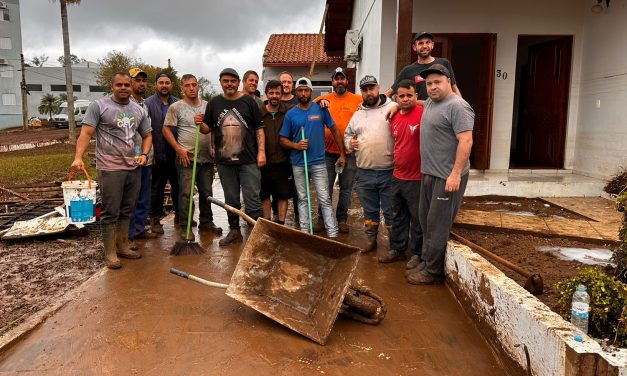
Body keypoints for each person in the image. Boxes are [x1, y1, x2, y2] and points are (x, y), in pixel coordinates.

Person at [70, 72, 152, 269]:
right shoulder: (99, 106)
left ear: (131, 86)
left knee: (127, 209)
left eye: (126, 85)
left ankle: (123, 245)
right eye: (119, 85)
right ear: (112, 86)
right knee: (110, 211)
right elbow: (86, 133)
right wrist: (78, 157)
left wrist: (144, 154)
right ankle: (110, 252)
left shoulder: (138, 109)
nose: (123, 88)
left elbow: (147, 135)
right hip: (109, 168)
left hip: (133, 166)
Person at [409, 64, 473, 285]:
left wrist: (455, 174)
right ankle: (427, 259)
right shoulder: (430, 102)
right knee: (425, 220)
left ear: (448, 82)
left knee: (438, 224)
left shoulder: (458, 106)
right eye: (429, 83)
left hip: (447, 177)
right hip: (429, 173)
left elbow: (466, 141)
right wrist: (395, 106)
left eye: (437, 82)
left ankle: (432, 270)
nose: (433, 87)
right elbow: (414, 101)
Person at [201, 68, 265, 246]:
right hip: (224, 162)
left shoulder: (249, 102)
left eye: (232, 81)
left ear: (238, 82)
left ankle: (256, 235)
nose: (229, 84)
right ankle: (235, 231)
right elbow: (206, 128)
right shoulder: (214, 102)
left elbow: (259, 128)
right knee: (231, 199)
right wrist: (200, 123)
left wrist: (261, 152)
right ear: (221, 82)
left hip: (249, 160)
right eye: (225, 81)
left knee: (252, 197)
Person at [279, 77, 345, 237]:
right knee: (302, 198)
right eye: (300, 90)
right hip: (298, 163)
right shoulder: (290, 115)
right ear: (296, 92)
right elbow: (282, 139)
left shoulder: (320, 109)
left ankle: (332, 233)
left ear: (310, 91)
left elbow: (335, 130)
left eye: (306, 90)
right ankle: (305, 232)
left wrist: (342, 153)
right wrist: (296, 145)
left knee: (324, 198)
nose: (303, 93)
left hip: (318, 163)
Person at [162, 74, 222, 237]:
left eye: (194, 85)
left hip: (206, 158)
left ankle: (206, 222)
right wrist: (178, 149)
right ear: (182, 88)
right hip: (186, 158)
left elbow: (212, 128)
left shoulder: (207, 106)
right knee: (186, 193)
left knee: (206, 192)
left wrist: (213, 146)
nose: (191, 88)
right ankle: (185, 226)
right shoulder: (176, 107)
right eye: (187, 85)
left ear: (198, 87)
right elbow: (166, 129)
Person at [344, 75, 396, 254]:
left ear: (378, 88)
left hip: (389, 171)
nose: (368, 92)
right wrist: (350, 143)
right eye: (365, 90)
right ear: (361, 92)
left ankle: (395, 246)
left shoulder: (392, 108)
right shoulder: (357, 114)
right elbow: (347, 135)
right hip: (365, 172)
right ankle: (371, 240)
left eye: (371, 88)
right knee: (370, 210)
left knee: (391, 210)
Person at [311, 67, 362, 234]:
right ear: (332, 81)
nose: (339, 82)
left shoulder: (357, 99)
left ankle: (342, 219)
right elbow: (307, 108)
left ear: (347, 81)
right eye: (336, 79)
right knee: (324, 187)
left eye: (342, 79)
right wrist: (319, 103)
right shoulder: (324, 98)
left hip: (349, 153)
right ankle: (322, 218)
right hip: (326, 152)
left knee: (346, 188)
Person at [384, 80, 424, 271]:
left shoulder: (424, 113)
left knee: (417, 218)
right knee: (398, 215)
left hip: (417, 178)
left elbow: (435, 102)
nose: (406, 99)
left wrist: (420, 103)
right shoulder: (394, 116)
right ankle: (397, 249)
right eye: (401, 96)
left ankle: (417, 253)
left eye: (410, 95)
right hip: (397, 176)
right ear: (396, 98)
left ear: (416, 96)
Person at [386, 32, 461, 104]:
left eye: (427, 42)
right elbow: (390, 93)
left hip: (442, 112)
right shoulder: (407, 71)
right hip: (419, 114)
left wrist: (461, 106)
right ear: (414, 47)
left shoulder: (444, 63)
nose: (425, 46)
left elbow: (454, 88)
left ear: (432, 45)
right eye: (420, 43)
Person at [146, 72, 179, 234]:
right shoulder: (147, 104)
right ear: (156, 85)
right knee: (157, 189)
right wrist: (149, 153)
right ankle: (155, 219)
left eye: (167, 82)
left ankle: (181, 216)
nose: (164, 85)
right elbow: (144, 132)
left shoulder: (178, 103)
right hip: (157, 154)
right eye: (161, 82)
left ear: (171, 85)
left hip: (176, 153)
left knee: (179, 187)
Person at [127, 68, 156, 249]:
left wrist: (150, 154)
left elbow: (148, 133)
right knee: (131, 198)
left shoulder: (144, 105)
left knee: (144, 197)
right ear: (130, 82)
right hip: (130, 159)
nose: (141, 83)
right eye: (137, 80)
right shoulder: (123, 104)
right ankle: (128, 236)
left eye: (144, 80)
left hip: (146, 157)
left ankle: (139, 229)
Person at [260, 80, 294, 224]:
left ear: (281, 94)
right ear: (267, 94)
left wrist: (322, 101)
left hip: (283, 162)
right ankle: (267, 223)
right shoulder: (259, 113)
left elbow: (307, 106)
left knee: (283, 195)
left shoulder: (289, 110)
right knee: (265, 195)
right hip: (264, 162)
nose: (274, 96)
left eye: (277, 93)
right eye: (271, 93)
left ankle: (280, 224)